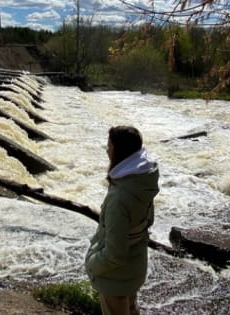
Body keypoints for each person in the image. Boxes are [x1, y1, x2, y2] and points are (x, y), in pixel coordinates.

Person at [85, 125, 159, 315]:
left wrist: (92, 262)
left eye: (109, 145)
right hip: (134, 267)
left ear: (120, 151)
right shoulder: (142, 181)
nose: (107, 149)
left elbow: (114, 254)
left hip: (115, 278)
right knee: (131, 308)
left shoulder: (119, 198)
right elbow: (147, 220)